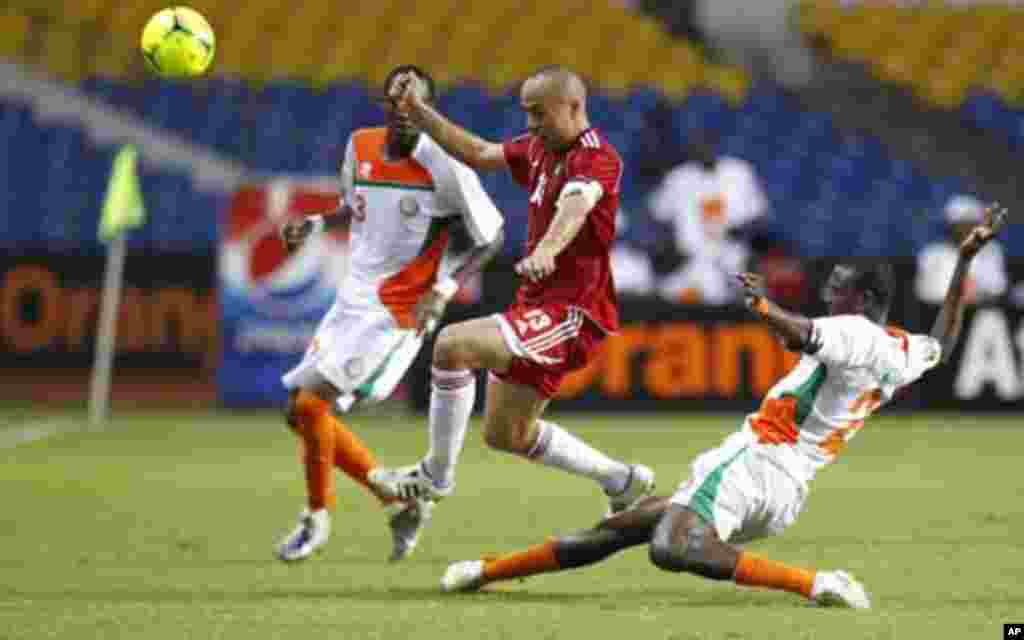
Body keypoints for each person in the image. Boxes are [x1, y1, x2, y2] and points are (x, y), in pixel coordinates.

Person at [438, 205, 1010, 609]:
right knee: (620, 529)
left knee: (669, 548)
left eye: (837, 286)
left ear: (864, 300)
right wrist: (964, 264)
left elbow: (804, 334)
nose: (828, 291)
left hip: (756, 460)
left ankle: (816, 583)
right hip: (788, 489)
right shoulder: (902, 350)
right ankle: (486, 572)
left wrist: (763, 305)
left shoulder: (854, 330)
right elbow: (946, 341)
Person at [369, 66, 654, 518]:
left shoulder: (596, 158)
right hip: (539, 305)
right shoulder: (539, 148)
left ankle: (434, 476)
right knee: (508, 434)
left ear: (574, 107)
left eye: (539, 113)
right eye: (526, 114)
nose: (531, 124)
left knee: (453, 344)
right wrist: (421, 114)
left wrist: (546, 250)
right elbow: (481, 152)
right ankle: (622, 480)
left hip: (572, 310)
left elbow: (575, 207)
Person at [274, 65, 505, 563]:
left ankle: (316, 518)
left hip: (398, 311)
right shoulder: (360, 146)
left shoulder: (447, 166)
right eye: (396, 102)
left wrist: (442, 290)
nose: (404, 112)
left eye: (415, 104)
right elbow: (354, 205)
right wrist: (315, 222)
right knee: (298, 411)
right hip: (351, 299)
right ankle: (397, 499)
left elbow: (492, 236)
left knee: (311, 407)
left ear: (429, 109)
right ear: (384, 104)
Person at [648, 135, 767, 305]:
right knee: (678, 297)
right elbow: (657, 216)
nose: (704, 149)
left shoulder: (738, 172)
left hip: (734, 255)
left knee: (751, 299)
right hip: (692, 258)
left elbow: (759, 216)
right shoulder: (679, 178)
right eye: (699, 144)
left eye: (708, 144)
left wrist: (740, 231)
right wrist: (670, 247)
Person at [916, 194, 1008, 306]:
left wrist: (974, 291)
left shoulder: (992, 251)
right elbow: (924, 293)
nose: (965, 228)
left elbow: (998, 288)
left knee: (991, 319)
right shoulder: (932, 253)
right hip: (939, 311)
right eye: (960, 224)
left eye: (970, 223)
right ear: (949, 225)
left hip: (980, 309)